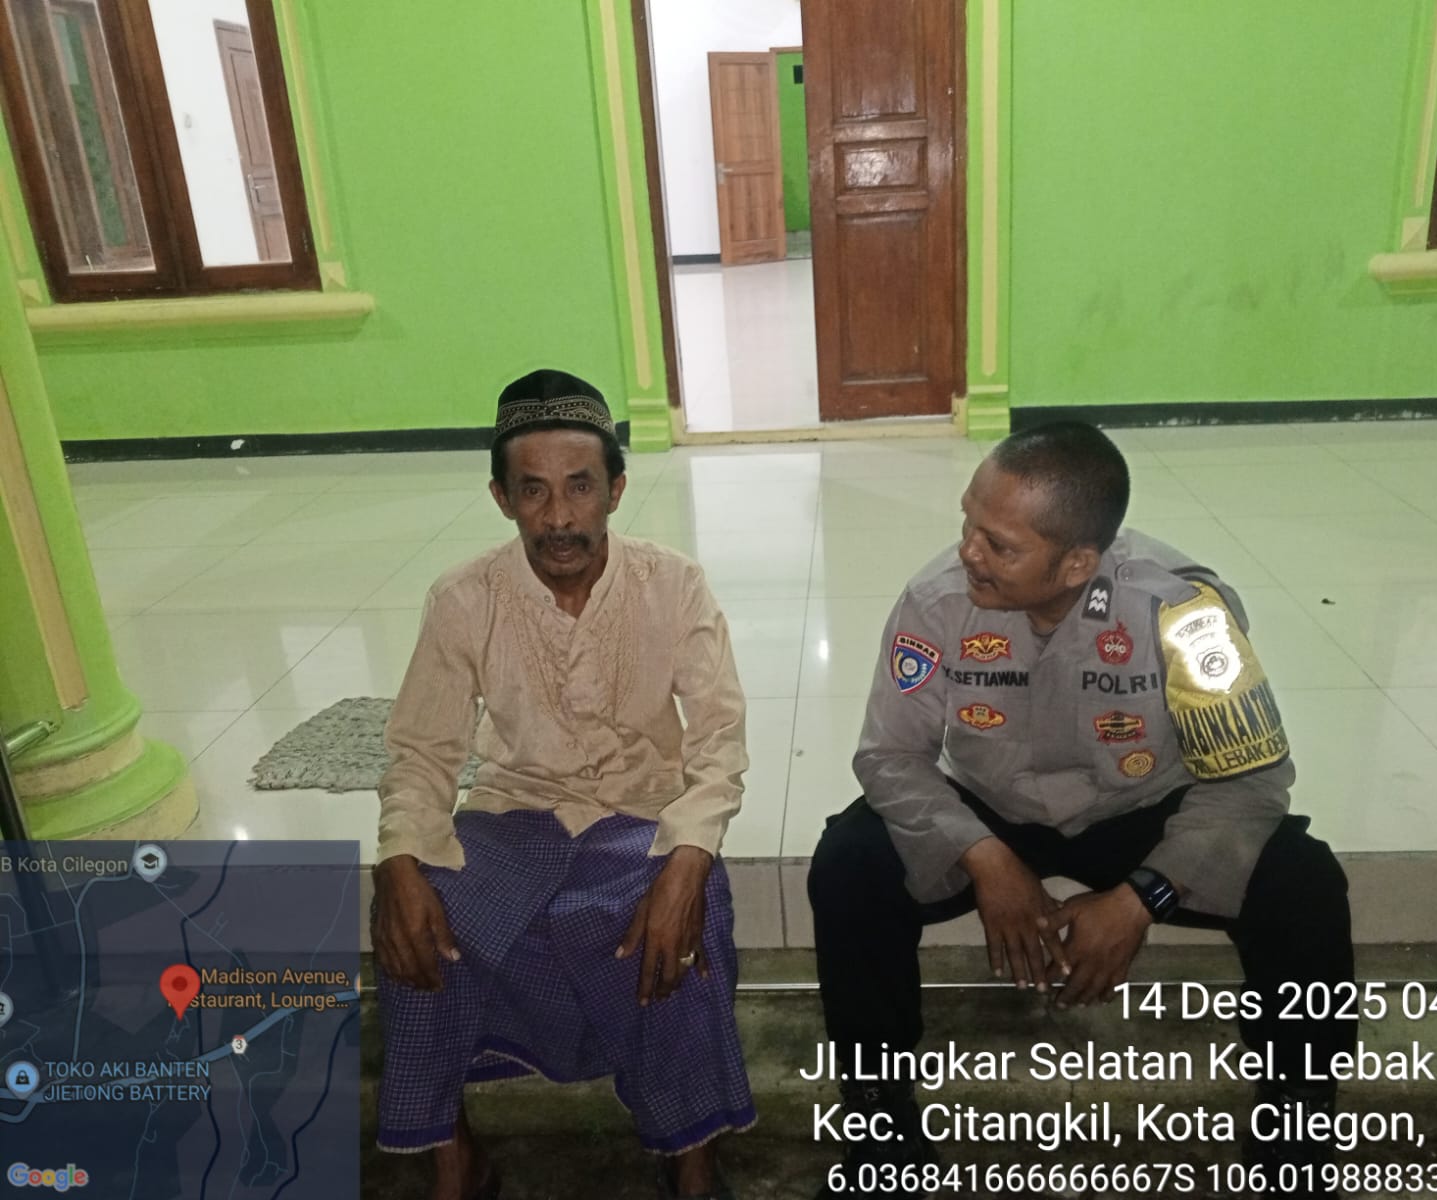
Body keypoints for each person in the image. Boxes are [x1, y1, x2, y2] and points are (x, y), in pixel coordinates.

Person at [808, 422, 1355, 1197]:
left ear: (1077, 563)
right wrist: (985, 858)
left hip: (1143, 810)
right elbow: (889, 756)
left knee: (1305, 885)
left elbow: (1254, 777)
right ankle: (881, 1130)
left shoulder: (1184, 612)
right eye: (968, 524)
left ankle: (1296, 1145)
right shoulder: (938, 600)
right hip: (990, 808)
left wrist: (1142, 898)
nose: (968, 553)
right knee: (847, 867)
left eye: (999, 545)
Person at [373, 369, 754, 1200]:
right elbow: (423, 751)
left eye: (579, 486)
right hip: (513, 819)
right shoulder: (463, 598)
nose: (558, 517)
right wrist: (398, 858)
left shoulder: (673, 584)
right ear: (501, 499)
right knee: (415, 915)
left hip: (641, 816)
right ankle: (456, 1161)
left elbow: (719, 739)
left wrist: (688, 857)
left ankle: (692, 1157)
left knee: (693, 912)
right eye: (533, 491)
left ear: (615, 489)